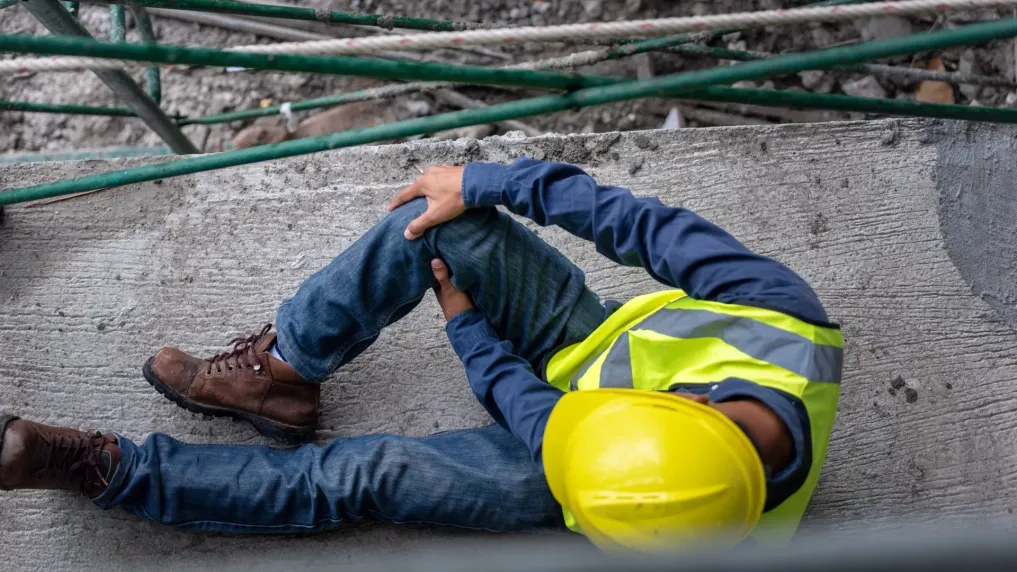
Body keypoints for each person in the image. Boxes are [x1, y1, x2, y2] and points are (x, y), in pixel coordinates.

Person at [0, 158, 842, 552]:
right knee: (440, 224)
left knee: (366, 476)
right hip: (583, 352)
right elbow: (640, 224)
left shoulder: (661, 514)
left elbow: (540, 424)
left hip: (580, 451)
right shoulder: (778, 318)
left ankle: (115, 471)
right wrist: (485, 183)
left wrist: (470, 336)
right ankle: (282, 375)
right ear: (691, 403)